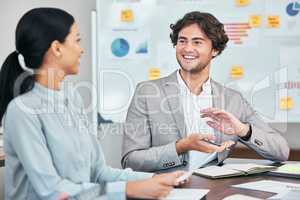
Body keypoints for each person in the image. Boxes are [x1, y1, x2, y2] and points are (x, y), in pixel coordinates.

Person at [0, 8, 185, 200]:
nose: (81, 49)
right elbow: (52, 191)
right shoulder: (22, 111)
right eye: (77, 40)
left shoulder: (72, 98)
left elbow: (99, 173)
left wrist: (156, 179)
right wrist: (128, 190)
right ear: (57, 48)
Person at [121, 11, 290, 172]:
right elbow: (131, 160)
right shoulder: (147, 93)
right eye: (182, 41)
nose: (187, 48)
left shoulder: (232, 99)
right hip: (167, 189)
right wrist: (181, 147)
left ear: (214, 50)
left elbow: (281, 151)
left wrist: (243, 130)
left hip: (216, 188)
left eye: (197, 42)